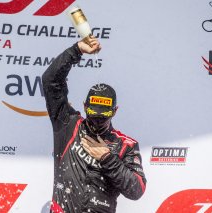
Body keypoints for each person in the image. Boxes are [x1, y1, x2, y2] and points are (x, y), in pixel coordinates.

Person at [42, 37, 146, 213]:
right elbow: (50, 81)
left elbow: (137, 191)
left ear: (115, 111)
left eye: (103, 116)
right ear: (85, 107)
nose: (97, 120)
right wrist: (76, 50)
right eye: (92, 115)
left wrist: (107, 158)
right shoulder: (68, 125)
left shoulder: (126, 145)